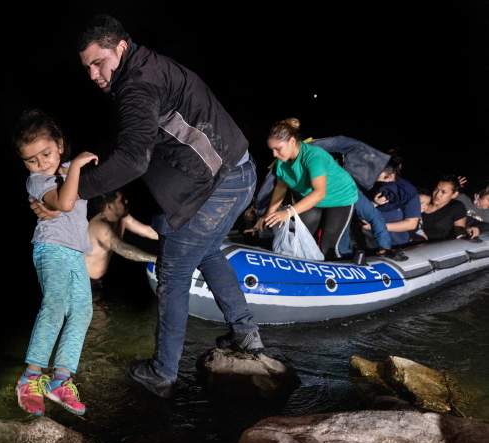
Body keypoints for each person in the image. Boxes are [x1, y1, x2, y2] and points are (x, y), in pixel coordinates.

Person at [34, 14, 264, 398]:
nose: (93, 74)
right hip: (237, 172)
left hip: (220, 184)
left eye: (98, 63)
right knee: (207, 253)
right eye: (87, 67)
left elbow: (133, 161)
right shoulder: (146, 68)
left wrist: (70, 196)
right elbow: (132, 142)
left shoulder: (137, 85)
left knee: (172, 270)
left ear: (120, 48)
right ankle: (247, 335)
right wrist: (72, 171)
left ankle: (163, 372)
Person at [14, 108, 98, 417]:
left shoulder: (65, 170)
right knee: (56, 304)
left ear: (60, 144)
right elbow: (63, 202)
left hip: (75, 251)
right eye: (31, 159)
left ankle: (61, 379)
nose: (40, 163)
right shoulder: (38, 181)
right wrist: (74, 165)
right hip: (51, 248)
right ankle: (30, 377)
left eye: (46, 154)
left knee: (83, 310)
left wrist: (72, 168)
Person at [258, 119, 359, 260]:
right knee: (297, 238)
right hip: (311, 198)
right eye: (272, 150)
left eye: (278, 149)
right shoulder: (281, 162)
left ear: (292, 142)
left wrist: (288, 212)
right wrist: (268, 216)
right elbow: (281, 187)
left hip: (339, 198)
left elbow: (319, 193)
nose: (274, 154)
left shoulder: (313, 156)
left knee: (327, 247)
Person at [86, 191, 158, 282]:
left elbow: (148, 232)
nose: (126, 201)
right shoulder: (100, 226)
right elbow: (123, 249)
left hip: (99, 279)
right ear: (109, 206)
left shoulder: (122, 218)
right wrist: (156, 259)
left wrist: (175, 237)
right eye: (122, 200)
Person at [371, 153, 422, 246]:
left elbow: (411, 224)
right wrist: (374, 203)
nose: (385, 181)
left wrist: (377, 226)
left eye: (387, 176)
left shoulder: (408, 190)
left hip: (396, 244)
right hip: (368, 242)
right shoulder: (369, 183)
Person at [420, 176, 479, 240]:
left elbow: (460, 231)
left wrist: (468, 230)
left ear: (454, 195)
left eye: (443, 192)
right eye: (436, 189)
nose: (437, 194)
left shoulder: (456, 207)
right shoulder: (422, 202)